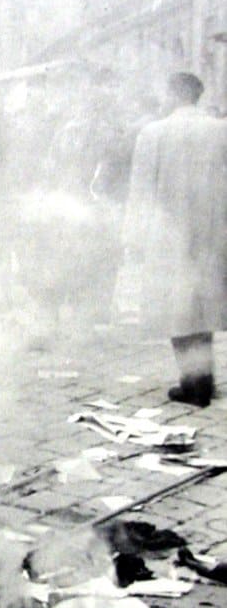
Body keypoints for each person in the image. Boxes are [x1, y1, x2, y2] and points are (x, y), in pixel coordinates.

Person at [122, 72, 227, 407]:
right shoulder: (220, 130)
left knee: (177, 307)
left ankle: (192, 382)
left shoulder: (153, 133)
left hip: (168, 232)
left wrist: (134, 237)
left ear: (172, 93)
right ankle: (205, 378)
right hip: (212, 229)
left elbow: (141, 192)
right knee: (202, 302)